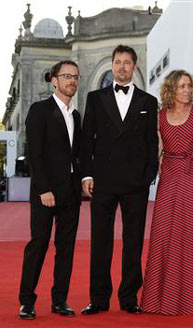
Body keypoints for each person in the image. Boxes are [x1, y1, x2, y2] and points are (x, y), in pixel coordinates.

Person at [80, 45, 158, 315]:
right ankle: (99, 299)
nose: (122, 67)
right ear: (112, 66)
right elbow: (86, 141)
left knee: (133, 241)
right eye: (117, 62)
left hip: (135, 183)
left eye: (127, 62)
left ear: (134, 67)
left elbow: (151, 143)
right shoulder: (95, 98)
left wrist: (149, 175)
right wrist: (87, 174)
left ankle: (129, 298)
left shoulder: (148, 102)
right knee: (100, 241)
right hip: (102, 181)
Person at [141, 70, 193, 315]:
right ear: (171, 89)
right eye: (182, 86)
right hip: (169, 178)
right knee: (165, 234)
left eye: (189, 86)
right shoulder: (160, 116)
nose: (187, 90)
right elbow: (159, 150)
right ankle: (159, 299)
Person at [18, 60, 82, 320]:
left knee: (66, 248)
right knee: (39, 245)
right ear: (54, 80)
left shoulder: (76, 116)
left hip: (70, 193)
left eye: (76, 77)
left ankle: (59, 300)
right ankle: (26, 301)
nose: (72, 81)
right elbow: (35, 152)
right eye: (67, 76)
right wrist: (44, 189)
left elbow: (75, 156)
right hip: (45, 192)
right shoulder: (39, 110)